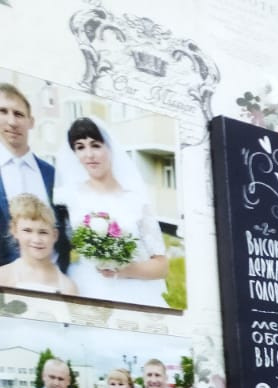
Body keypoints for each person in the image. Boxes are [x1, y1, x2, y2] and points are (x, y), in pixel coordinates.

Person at [57, 116, 168, 306]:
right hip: (86, 286)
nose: (89, 155)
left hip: (134, 291)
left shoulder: (135, 200)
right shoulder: (68, 198)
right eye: (80, 147)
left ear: (109, 148)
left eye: (95, 145)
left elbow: (162, 266)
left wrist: (122, 269)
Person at [0, 82, 68, 271]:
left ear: (31, 121)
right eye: (3, 112)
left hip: (55, 279)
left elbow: (65, 231)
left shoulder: (52, 174)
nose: (12, 122)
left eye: (18, 114)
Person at [0, 193, 77, 294]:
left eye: (43, 232)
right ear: (14, 231)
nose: (36, 240)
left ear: (55, 235)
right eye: (27, 231)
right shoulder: (3, 276)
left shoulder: (67, 287)